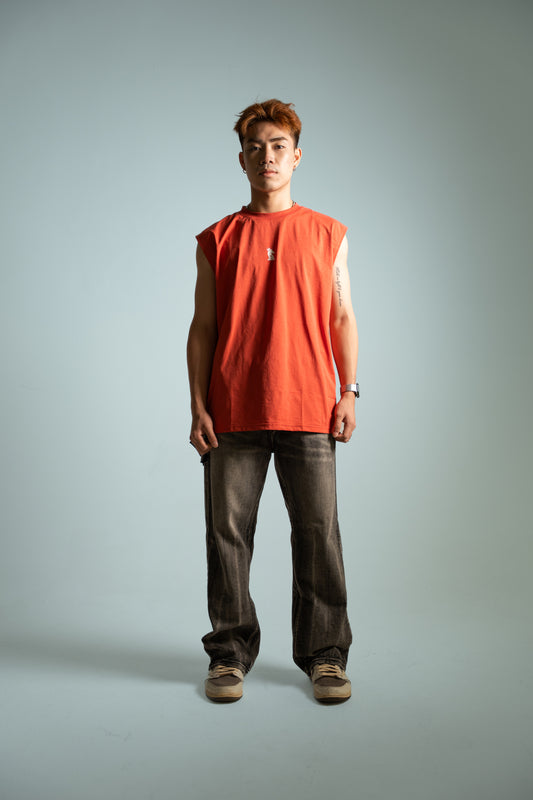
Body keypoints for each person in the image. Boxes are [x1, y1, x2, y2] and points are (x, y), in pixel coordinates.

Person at [187, 99, 359, 704]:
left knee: (318, 535)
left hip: (309, 406)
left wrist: (349, 390)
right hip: (232, 409)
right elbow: (203, 328)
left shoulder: (328, 234)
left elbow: (342, 316)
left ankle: (325, 655)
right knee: (227, 537)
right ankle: (228, 655)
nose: (268, 157)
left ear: (297, 156)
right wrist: (198, 404)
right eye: (255, 148)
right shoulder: (217, 239)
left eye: (278, 146)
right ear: (242, 160)